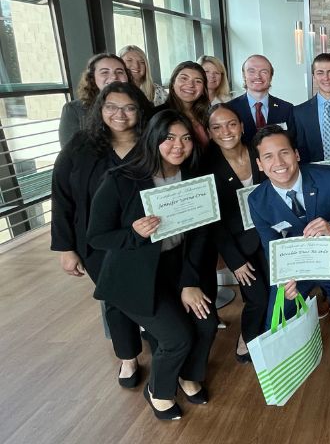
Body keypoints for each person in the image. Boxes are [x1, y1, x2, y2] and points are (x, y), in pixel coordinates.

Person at [87, 110, 218, 421]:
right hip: (132, 276)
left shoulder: (193, 177)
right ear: (153, 139)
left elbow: (200, 234)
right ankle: (158, 390)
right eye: (169, 138)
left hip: (176, 269)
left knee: (207, 323)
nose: (178, 145)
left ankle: (188, 375)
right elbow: (96, 236)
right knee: (177, 338)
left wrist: (189, 281)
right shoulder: (121, 179)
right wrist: (133, 233)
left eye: (186, 138)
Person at [247, 125, 330, 415]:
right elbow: (270, 247)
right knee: (273, 322)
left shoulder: (329, 177)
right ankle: (287, 372)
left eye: (284, 153)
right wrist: (284, 278)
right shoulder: (257, 200)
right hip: (295, 270)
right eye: (268, 157)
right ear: (259, 164)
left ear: (296, 153)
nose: (278, 163)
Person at [50, 82, 153, 388]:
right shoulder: (81, 145)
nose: (120, 114)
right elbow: (62, 196)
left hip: (148, 238)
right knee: (115, 299)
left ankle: (161, 346)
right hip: (98, 241)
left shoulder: (152, 142)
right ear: (100, 110)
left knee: (152, 293)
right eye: (111, 107)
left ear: (140, 111)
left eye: (129, 107)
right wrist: (66, 248)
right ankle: (128, 357)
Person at [201, 104, 268, 363]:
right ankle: (247, 337)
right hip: (238, 244)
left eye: (230, 124)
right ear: (209, 132)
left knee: (277, 290)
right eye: (216, 127)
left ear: (241, 126)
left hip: (270, 235)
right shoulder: (207, 166)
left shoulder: (258, 151)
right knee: (257, 297)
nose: (225, 131)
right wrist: (235, 261)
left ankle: (269, 335)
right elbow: (213, 221)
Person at [59, 53, 131, 146]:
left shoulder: (141, 105)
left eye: (120, 72)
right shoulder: (73, 109)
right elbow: (70, 154)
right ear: (92, 77)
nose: (114, 77)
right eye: (105, 72)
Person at [227, 54, 294, 145]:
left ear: (270, 76)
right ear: (244, 76)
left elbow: (292, 142)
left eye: (264, 72)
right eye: (251, 71)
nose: (257, 76)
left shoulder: (286, 109)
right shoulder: (229, 109)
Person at [157, 61, 211, 148]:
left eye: (198, 81)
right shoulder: (158, 115)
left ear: (203, 90)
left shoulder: (207, 114)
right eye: (184, 78)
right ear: (173, 83)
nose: (190, 85)